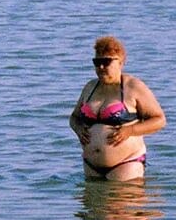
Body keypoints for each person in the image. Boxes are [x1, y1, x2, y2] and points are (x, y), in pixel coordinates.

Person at [70, 36, 166, 181]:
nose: (101, 67)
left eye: (106, 62)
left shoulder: (133, 87)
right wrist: (78, 129)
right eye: (97, 62)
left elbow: (159, 120)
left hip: (126, 163)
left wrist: (130, 131)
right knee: (91, 204)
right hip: (91, 166)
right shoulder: (90, 87)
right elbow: (74, 117)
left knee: (118, 201)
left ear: (121, 62)